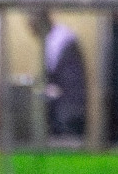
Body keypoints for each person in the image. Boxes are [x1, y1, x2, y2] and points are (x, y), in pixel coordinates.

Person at [28, 10, 87, 139]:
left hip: (67, 113)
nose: (31, 31)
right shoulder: (61, 38)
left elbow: (61, 82)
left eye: (32, 26)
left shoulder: (59, 41)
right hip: (70, 109)